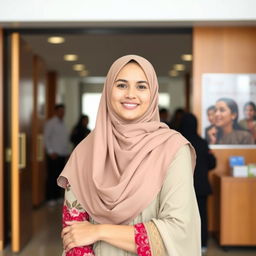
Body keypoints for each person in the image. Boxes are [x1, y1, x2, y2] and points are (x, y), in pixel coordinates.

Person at [57, 55, 201, 256]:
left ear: (153, 94)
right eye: (122, 85)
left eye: (142, 87)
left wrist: (99, 231)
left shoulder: (173, 149)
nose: (131, 94)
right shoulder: (85, 152)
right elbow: (74, 235)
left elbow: (178, 231)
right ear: (108, 91)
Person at [180, 113, 216, 254]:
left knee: (182, 217)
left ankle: (184, 245)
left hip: (182, 188)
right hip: (201, 188)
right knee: (201, 216)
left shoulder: (178, 141)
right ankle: (202, 245)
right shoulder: (202, 142)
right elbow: (212, 164)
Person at [44, 104, 69, 206]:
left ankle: (58, 197)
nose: (62, 113)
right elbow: (46, 138)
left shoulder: (63, 124)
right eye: (60, 111)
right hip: (53, 155)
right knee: (52, 176)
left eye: (63, 111)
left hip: (62, 155)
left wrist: (67, 153)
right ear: (56, 111)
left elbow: (64, 140)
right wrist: (50, 152)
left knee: (61, 177)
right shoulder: (51, 123)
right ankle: (50, 198)